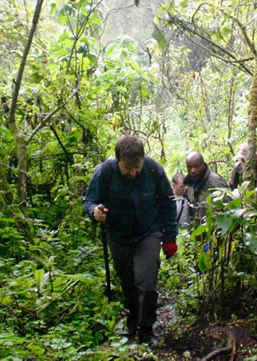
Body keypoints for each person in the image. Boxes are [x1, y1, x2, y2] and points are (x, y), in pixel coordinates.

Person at [82, 135, 178, 343]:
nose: (133, 173)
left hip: (148, 233)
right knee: (129, 285)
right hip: (119, 236)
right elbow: (89, 201)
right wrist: (94, 211)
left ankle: (146, 331)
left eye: (137, 168)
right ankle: (131, 324)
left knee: (147, 283)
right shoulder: (105, 171)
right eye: (127, 169)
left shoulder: (153, 169)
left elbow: (168, 202)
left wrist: (170, 237)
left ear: (143, 159)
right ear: (118, 161)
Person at [183, 151, 228, 225]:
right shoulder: (189, 183)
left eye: (196, 166)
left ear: (203, 165)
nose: (193, 171)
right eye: (189, 167)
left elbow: (228, 210)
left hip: (214, 232)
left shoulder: (215, 183)